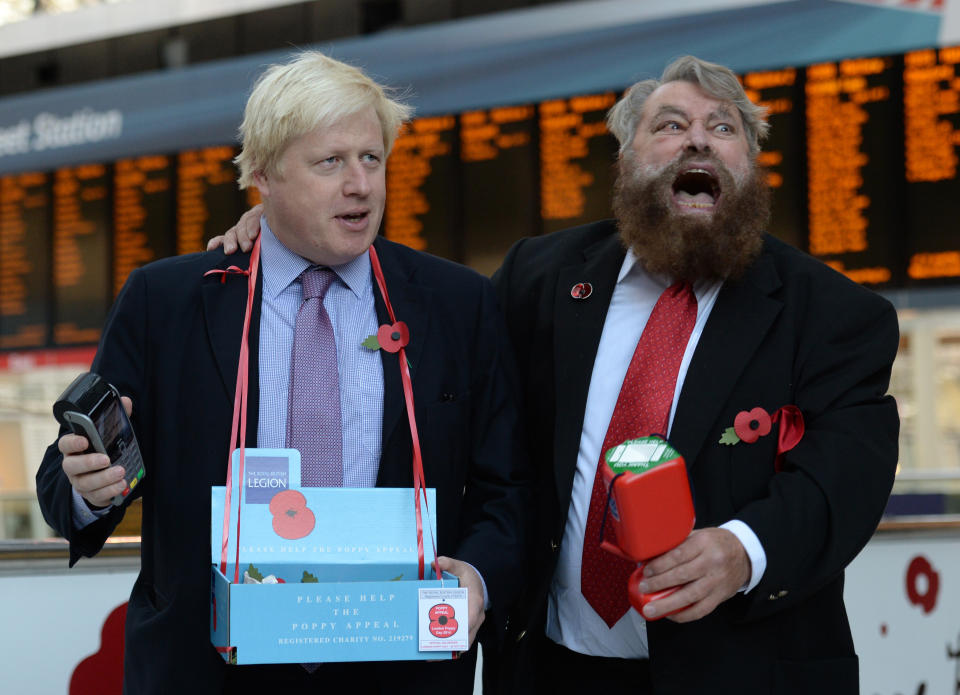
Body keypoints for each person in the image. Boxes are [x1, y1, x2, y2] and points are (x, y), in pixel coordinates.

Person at [212, 55, 899, 694]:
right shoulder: (540, 279)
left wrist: (743, 550)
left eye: (724, 128)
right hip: (549, 666)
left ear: (750, 164)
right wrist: (281, 224)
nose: (699, 142)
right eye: (671, 125)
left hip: (740, 669)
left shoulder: (832, 313)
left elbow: (846, 475)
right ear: (627, 159)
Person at [36, 51, 530, 695]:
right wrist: (87, 486)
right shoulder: (170, 301)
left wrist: (479, 577)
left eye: (372, 159)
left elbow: (508, 489)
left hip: (397, 668)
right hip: (205, 669)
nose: (361, 185)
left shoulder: (456, 303)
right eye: (331, 162)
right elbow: (65, 485)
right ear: (264, 175)